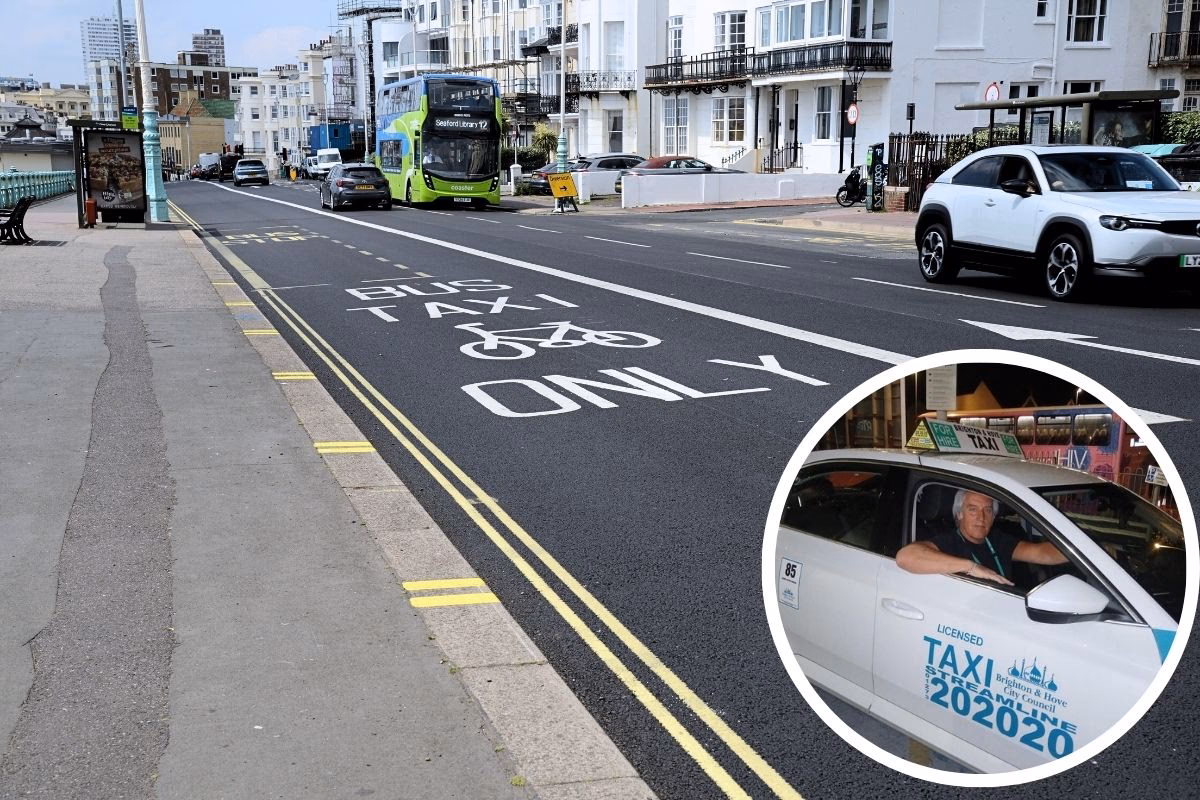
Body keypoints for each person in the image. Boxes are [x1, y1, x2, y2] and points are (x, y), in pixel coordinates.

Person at [896, 489, 1067, 586]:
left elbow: (1043, 553)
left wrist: (1086, 550)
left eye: (987, 510)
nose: (981, 517)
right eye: (972, 509)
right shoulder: (948, 542)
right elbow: (906, 556)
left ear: (993, 516)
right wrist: (972, 567)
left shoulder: (998, 540)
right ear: (959, 514)